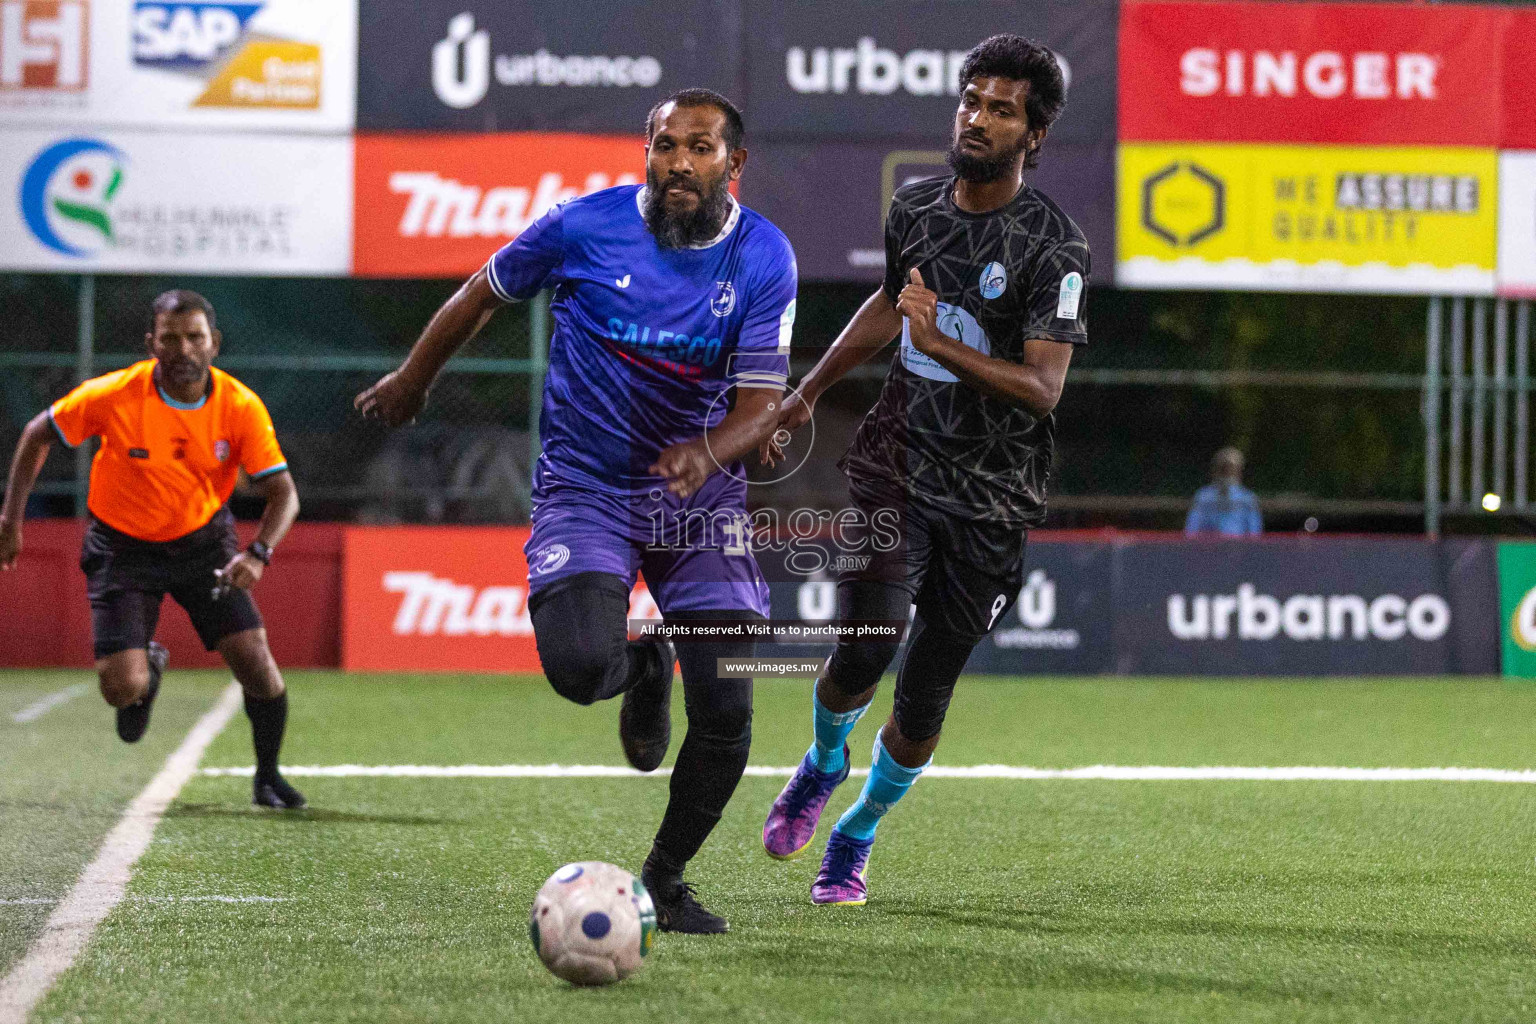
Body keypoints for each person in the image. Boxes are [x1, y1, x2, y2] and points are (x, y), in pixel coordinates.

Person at [354, 89, 797, 934]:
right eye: (665, 145)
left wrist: (710, 453)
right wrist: (414, 380)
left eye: (699, 149)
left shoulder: (765, 256)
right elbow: (480, 296)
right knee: (578, 669)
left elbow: (760, 405)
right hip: (586, 485)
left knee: (730, 710)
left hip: (699, 504)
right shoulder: (581, 225)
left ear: (733, 166)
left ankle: (664, 878)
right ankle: (641, 668)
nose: (678, 163)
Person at [758, 35, 1088, 905]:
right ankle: (823, 762)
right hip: (896, 465)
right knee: (864, 643)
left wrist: (937, 339)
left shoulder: (1055, 248)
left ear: (1036, 134)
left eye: (1001, 109)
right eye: (970, 101)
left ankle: (856, 831)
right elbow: (883, 303)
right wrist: (809, 389)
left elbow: (1044, 387)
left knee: (924, 699)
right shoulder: (914, 209)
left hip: (992, 498)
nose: (978, 118)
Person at [0, 290, 306, 809]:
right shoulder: (116, 393)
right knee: (122, 690)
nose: (183, 348)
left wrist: (257, 553)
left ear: (214, 344)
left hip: (205, 545)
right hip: (122, 549)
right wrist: (11, 521)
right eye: (170, 338)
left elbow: (284, 493)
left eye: (194, 337)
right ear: (151, 343)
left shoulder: (240, 406)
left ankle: (268, 777)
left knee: (257, 663)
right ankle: (148, 669)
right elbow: (36, 434)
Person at [1185, 447, 1263, 536]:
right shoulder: (1203, 496)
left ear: (1239, 471)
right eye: (1223, 468)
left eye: (1232, 468)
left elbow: (1255, 533)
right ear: (1215, 469)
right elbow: (1192, 530)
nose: (1227, 472)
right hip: (1209, 547)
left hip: (1239, 547)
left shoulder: (1248, 498)